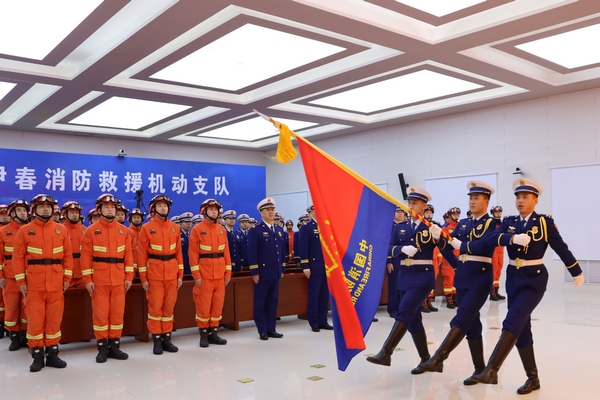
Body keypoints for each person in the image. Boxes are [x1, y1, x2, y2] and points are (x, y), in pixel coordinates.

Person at [472, 179, 584, 394]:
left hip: (534, 280)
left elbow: (561, 247)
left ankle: (491, 369)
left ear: (535, 200)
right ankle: (533, 378)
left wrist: (576, 271)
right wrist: (513, 238)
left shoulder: (544, 223)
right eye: (518, 197)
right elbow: (493, 237)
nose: (520, 201)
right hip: (514, 278)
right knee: (522, 329)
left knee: (512, 320)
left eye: (525, 197)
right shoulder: (509, 222)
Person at [413, 181, 501, 384]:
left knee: (462, 317)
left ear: (486, 201)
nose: (472, 201)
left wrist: (458, 244)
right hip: (463, 277)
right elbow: (447, 246)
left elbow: (482, 245)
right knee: (472, 323)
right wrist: (440, 239)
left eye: (476, 198)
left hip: (480, 277)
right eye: (470, 198)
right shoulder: (463, 224)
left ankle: (438, 358)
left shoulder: (492, 224)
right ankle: (480, 369)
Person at [367, 187, 457, 372]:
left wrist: (457, 264)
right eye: (409, 203)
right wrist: (401, 249)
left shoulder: (431, 227)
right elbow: (388, 247)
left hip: (423, 276)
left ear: (424, 206)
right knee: (414, 320)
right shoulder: (401, 227)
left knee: (404, 311)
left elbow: (447, 250)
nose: (410, 206)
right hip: (405, 276)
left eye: (415, 203)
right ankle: (426, 360)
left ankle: (386, 352)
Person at [13, 194, 73, 372]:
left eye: (49, 207)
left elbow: (67, 256)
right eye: (41, 207)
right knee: (35, 320)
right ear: (34, 210)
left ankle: (53, 354)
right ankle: (37, 355)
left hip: (56, 284)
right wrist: (21, 281)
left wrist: (67, 278)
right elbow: (18, 258)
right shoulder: (25, 231)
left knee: (54, 319)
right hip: (34, 284)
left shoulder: (61, 230)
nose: (46, 209)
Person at [81, 194, 134, 363]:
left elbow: (128, 256)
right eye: (106, 207)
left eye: (113, 207)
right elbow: (85, 258)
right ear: (99, 210)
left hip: (119, 279)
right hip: (99, 280)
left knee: (117, 314)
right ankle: (102, 348)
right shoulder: (91, 231)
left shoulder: (124, 231)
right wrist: (88, 280)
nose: (110, 210)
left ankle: (115, 346)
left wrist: (129, 276)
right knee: (101, 314)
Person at [138, 195, 183, 355]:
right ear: (153, 209)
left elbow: (178, 253)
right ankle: (157, 340)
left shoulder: (175, 228)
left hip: (171, 273)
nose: (163, 208)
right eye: (160, 206)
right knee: (155, 308)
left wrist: (180, 275)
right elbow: (142, 255)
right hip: (154, 274)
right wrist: (144, 278)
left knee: (169, 307)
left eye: (165, 206)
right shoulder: (146, 228)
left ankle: (167, 338)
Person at [189, 199, 232, 348]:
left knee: (217, 306)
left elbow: (226, 253)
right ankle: (203, 335)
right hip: (205, 275)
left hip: (219, 275)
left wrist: (228, 273)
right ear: (204, 211)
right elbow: (193, 255)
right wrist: (196, 275)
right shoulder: (197, 229)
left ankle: (214, 333)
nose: (214, 212)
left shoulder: (222, 230)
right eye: (211, 209)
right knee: (203, 306)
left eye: (216, 210)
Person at [247, 198, 285, 340]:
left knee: (273, 301)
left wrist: (282, 269)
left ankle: (271, 328)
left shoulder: (279, 230)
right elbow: (252, 253)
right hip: (262, 273)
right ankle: (262, 330)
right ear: (261, 213)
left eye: (272, 209)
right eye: (267, 210)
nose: (271, 212)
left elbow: (282, 252)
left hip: (275, 273)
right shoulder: (256, 231)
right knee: (260, 302)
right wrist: (254, 271)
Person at [0, 199, 30, 350]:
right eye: (19, 210)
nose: (23, 213)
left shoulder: (31, 230)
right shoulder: (3, 232)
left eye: (24, 210)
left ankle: (25, 334)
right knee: (11, 308)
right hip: (10, 277)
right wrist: (1, 276)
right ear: (11, 213)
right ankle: (14, 336)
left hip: (28, 276)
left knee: (26, 308)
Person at [298, 205, 332, 332]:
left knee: (324, 295)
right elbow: (303, 248)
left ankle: (323, 320)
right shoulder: (307, 228)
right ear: (310, 213)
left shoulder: (326, 226)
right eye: (315, 209)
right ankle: (314, 322)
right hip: (314, 266)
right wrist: (305, 266)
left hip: (326, 266)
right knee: (314, 295)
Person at [61, 201, 87, 289]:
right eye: (72, 212)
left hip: (82, 274)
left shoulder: (86, 231)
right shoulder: (59, 230)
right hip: (65, 274)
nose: (75, 215)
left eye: (76, 212)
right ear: (65, 214)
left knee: (85, 297)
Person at [386, 206, 406, 318]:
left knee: (402, 285)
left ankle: (400, 307)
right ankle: (392, 308)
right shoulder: (390, 226)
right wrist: (389, 260)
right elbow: (388, 244)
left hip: (403, 260)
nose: (400, 214)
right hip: (394, 260)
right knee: (393, 286)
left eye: (402, 212)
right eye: (398, 212)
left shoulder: (405, 226)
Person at [439, 206, 461, 309]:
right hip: (449, 256)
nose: (456, 216)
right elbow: (443, 244)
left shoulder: (460, 226)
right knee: (449, 277)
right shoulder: (445, 227)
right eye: (454, 214)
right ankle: (449, 299)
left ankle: (455, 297)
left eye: (457, 214)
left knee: (457, 277)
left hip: (459, 256)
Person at [489, 205, 506, 301]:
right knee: (494, 269)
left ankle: (496, 290)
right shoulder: (491, 223)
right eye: (496, 212)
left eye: (499, 212)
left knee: (499, 268)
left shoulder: (502, 223)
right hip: (494, 248)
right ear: (492, 213)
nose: (498, 214)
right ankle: (491, 292)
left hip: (501, 249)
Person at [127, 208, 145, 277]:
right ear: (130, 219)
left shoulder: (145, 232)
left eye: (138, 217)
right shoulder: (127, 232)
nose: (137, 219)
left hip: (144, 268)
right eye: (134, 217)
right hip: (131, 269)